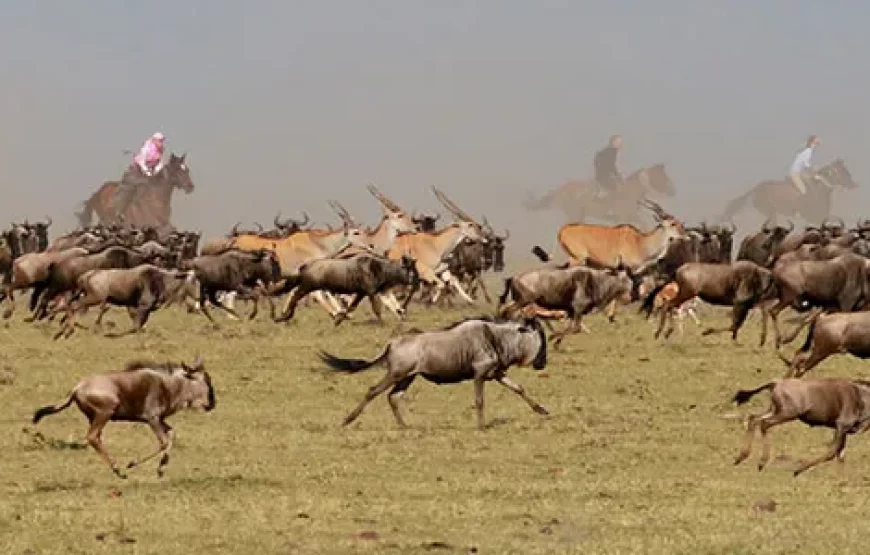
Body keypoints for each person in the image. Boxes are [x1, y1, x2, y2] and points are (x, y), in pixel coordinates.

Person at [111, 132, 166, 221]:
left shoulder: (161, 149)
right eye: (160, 140)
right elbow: (141, 161)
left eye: (162, 140)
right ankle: (121, 211)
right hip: (136, 172)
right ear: (154, 140)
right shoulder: (146, 148)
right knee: (132, 188)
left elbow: (160, 161)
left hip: (149, 172)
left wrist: (156, 170)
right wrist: (147, 171)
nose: (161, 142)